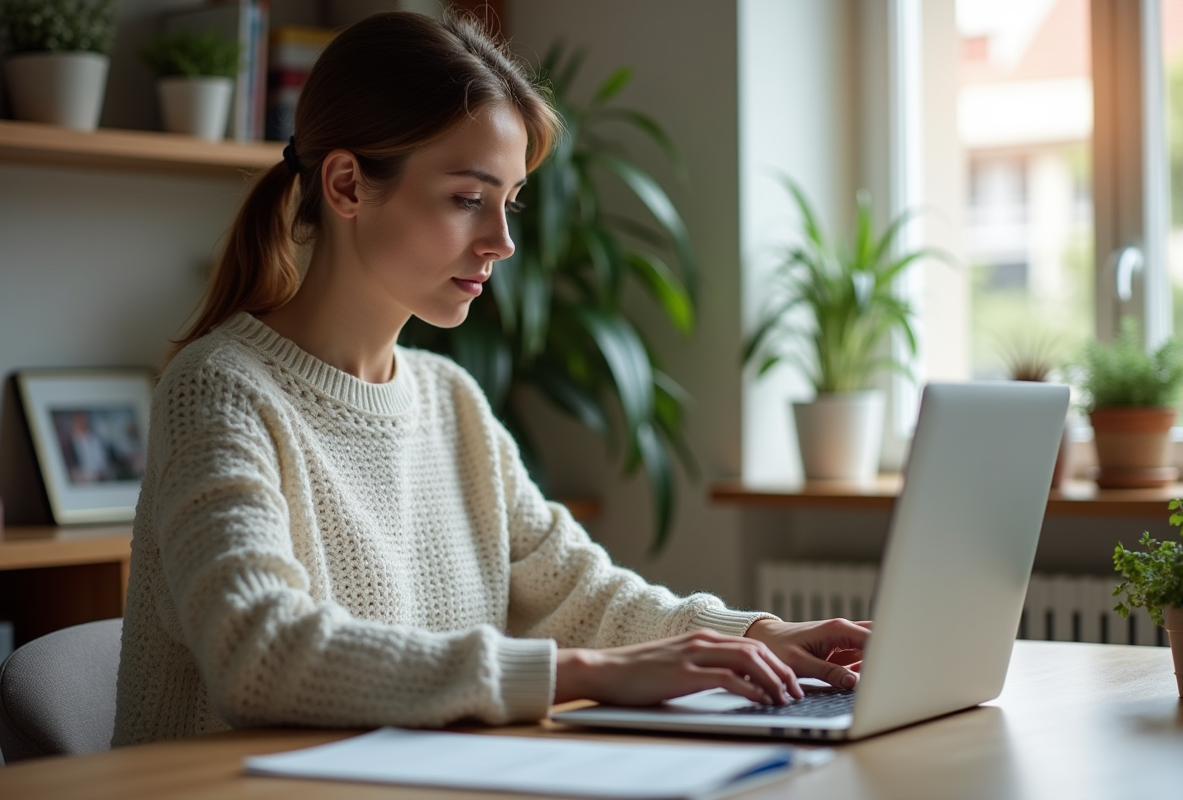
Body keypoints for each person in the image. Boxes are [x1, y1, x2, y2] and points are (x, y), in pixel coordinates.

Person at [112, 11, 870, 747]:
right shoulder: (219, 390)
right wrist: (593, 674)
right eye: (468, 199)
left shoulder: (450, 401)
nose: (502, 242)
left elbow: (584, 595)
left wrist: (763, 634)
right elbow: (261, 651)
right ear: (345, 185)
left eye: (508, 204)